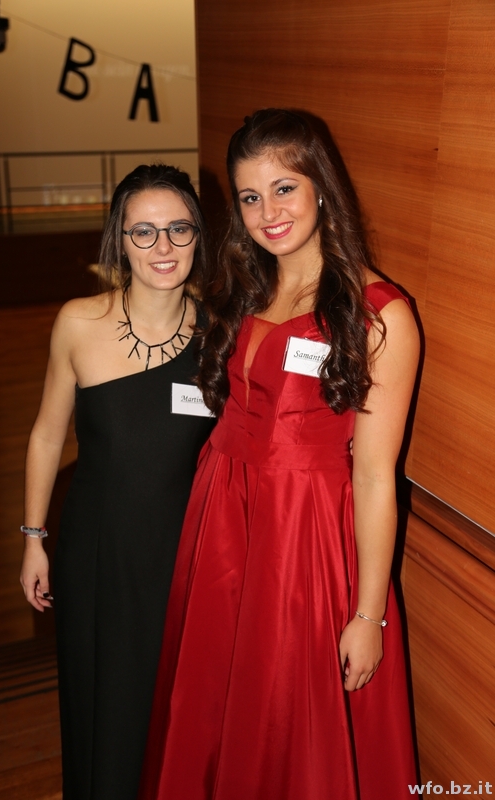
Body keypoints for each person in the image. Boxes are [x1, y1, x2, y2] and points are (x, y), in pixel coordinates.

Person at [139, 110, 420, 800]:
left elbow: (374, 477)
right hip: (221, 519)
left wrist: (369, 615)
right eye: (249, 196)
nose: (268, 213)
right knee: (210, 702)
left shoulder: (378, 314)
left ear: (321, 186)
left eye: (284, 188)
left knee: (284, 717)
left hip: (301, 538)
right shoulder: (245, 286)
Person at [19, 164, 215, 800]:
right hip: (96, 553)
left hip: (181, 556)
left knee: (169, 710)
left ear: (199, 235)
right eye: (144, 231)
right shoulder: (79, 322)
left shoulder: (221, 334)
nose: (163, 247)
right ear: (119, 239)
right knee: (100, 704)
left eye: (179, 228)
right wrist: (33, 538)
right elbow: (47, 435)